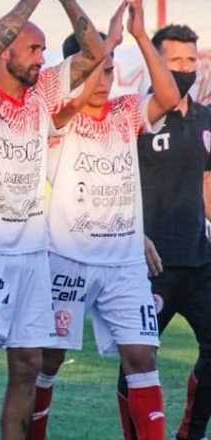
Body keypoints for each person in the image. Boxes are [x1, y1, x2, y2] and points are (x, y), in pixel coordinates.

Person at [0, 0, 105, 438]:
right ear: (8, 52)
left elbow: (95, 54)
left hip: (32, 251)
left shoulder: (42, 93)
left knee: (29, 363)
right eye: (33, 49)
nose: (41, 58)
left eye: (44, 50)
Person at [27, 2, 180, 439]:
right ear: (73, 72)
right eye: (95, 70)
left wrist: (140, 37)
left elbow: (169, 98)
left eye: (110, 71)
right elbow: (63, 109)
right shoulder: (58, 117)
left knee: (142, 357)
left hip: (124, 264)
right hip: (67, 260)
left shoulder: (125, 112)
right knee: (48, 360)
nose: (104, 81)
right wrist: (105, 45)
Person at [133, 22, 211, 440]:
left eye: (190, 60)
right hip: (151, 262)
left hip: (200, 259)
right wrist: (135, 234)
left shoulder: (207, 118)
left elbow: (207, 181)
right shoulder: (135, 117)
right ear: (154, 63)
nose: (185, 68)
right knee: (139, 360)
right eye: (174, 60)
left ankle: (191, 433)